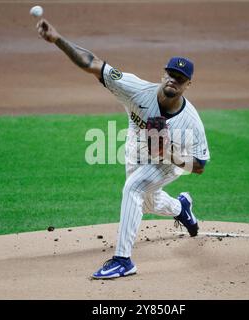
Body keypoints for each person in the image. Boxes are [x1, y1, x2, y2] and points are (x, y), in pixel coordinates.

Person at [36, 19, 210, 279]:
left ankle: (123, 260)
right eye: (171, 74)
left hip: (169, 162)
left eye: (181, 78)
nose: (174, 80)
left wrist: (168, 153)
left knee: (134, 188)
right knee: (148, 202)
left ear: (188, 85)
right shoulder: (137, 90)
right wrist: (57, 39)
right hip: (135, 153)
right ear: (164, 73)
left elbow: (199, 166)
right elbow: (92, 63)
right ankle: (181, 208)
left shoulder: (191, 122)